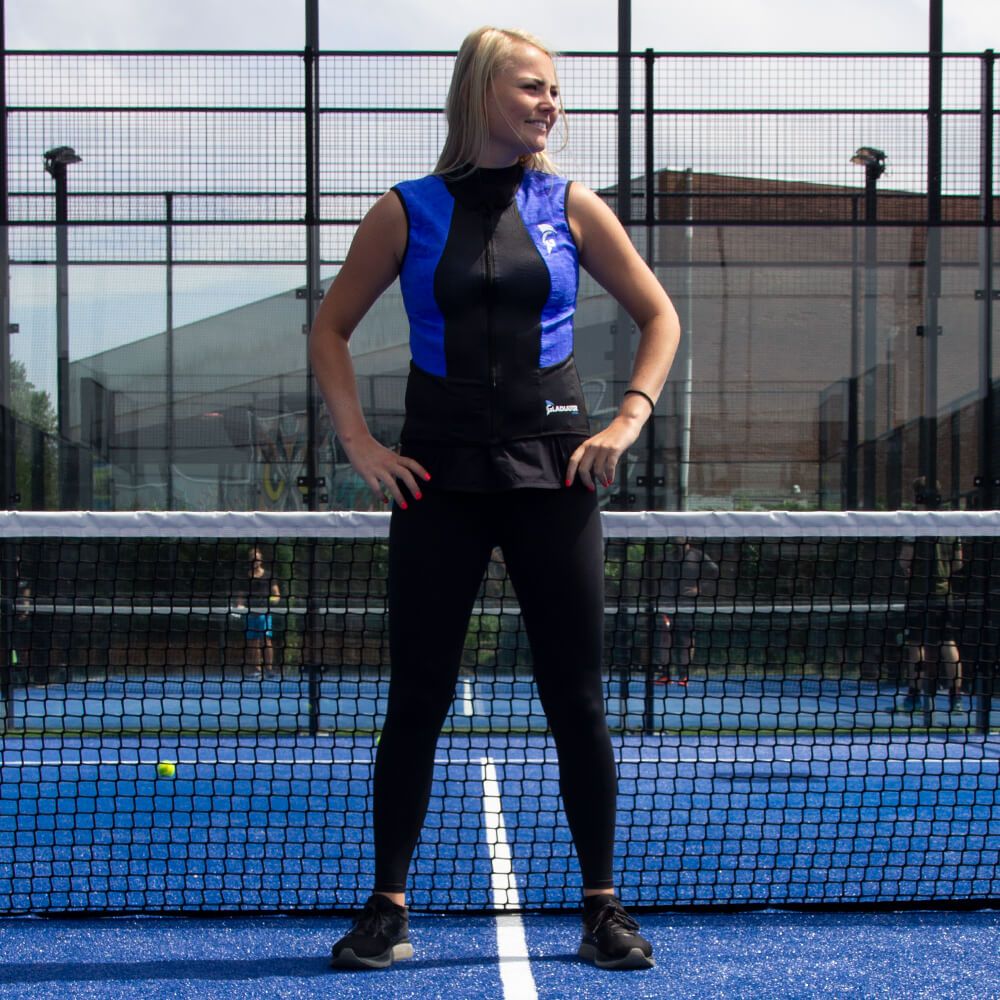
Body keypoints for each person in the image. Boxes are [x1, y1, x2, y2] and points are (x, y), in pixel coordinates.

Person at [309, 25, 679, 972]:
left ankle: (603, 910)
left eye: (555, 91)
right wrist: (360, 443)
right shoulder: (405, 211)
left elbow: (658, 315)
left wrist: (626, 421)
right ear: (480, 93)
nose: (550, 104)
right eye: (531, 88)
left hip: (557, 474)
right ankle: (387, 907)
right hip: (437, 479)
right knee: (418, 697)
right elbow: (332, 330)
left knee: (577, 700)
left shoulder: (574, 206)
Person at [897, 479, 964, 714]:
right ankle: (956, 697)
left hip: (919, 595)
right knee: (948, 642)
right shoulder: (949, 524)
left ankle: (914, 694)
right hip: (945, 594)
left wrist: (910, 570)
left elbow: (906, 559)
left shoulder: (915, 524)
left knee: (916, 643)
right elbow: (957, 562)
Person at [654, 538, 719, 685]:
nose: (678, 538)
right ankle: (664, 674)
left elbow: (714, 572)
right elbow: (655, 575)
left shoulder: (698, 556)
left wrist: (700, 588)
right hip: (667, 606)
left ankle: (683, 676)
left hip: (687, 606)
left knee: (685, 640)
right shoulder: (667, 556)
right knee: (665, 638)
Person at [239, 547, 281, 680]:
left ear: (261, 560)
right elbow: (241, 595)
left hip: (264, 613)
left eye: (256, 558)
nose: (254, 560)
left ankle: (269, 669)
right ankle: (257, 670)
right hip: (250, 613)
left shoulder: (268, 575)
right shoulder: (245, 576)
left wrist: (272, 601)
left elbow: (276, 594)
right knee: (253, 641)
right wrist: (240, 606)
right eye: (252, 558)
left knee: (266, 640)